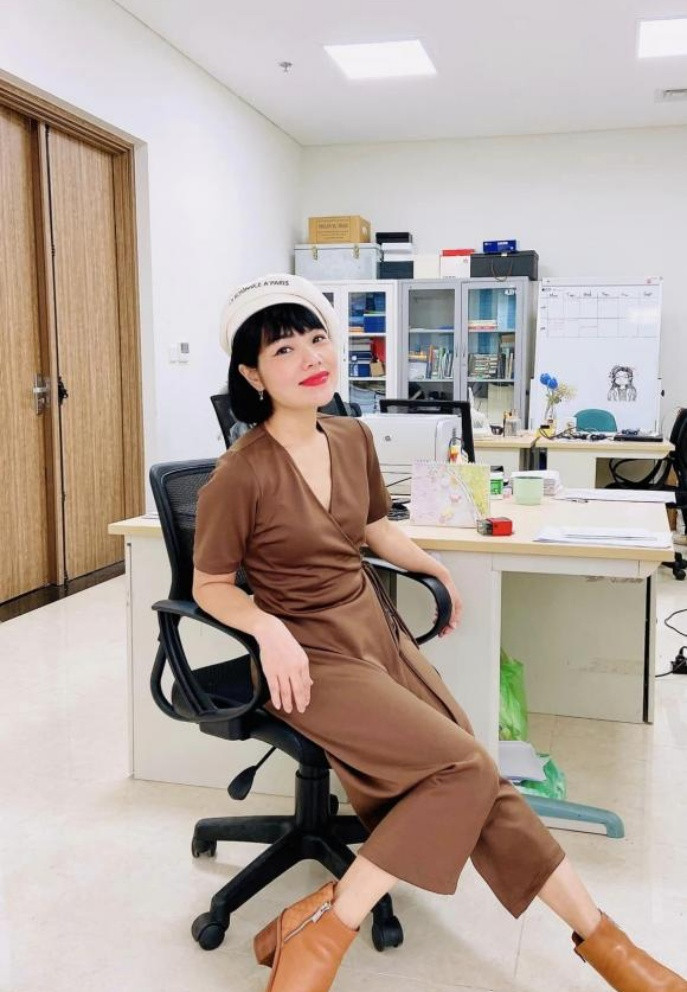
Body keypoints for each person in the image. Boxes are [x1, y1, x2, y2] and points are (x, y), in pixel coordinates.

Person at [192, 274, 685, 992]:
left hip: (376, 633)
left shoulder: (351, 436)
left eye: (317, 339)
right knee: (466, 770)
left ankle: (606, 942)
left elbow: (372, 527)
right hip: (309, 657)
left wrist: (433, 567)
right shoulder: (238, 474)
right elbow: (209, 585)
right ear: (252, 375)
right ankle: (327, 930)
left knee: (478, 775)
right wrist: (268, 631)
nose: (310, 358)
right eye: (284, 349)